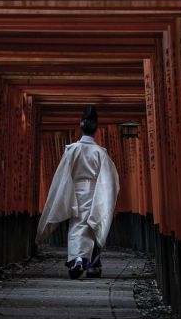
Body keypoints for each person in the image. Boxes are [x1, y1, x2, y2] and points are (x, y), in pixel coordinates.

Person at [36, 105, 120, 279]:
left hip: (74, 192)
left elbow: (62, 174)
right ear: (95, 129)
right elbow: (109, 178)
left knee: (76, 226)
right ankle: (91, 264)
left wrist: (62, 194)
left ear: (80, 127)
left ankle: (77, 260)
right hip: (95, 192)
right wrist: (104, 195)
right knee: (93, 225)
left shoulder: (71, 149)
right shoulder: (100, 153)